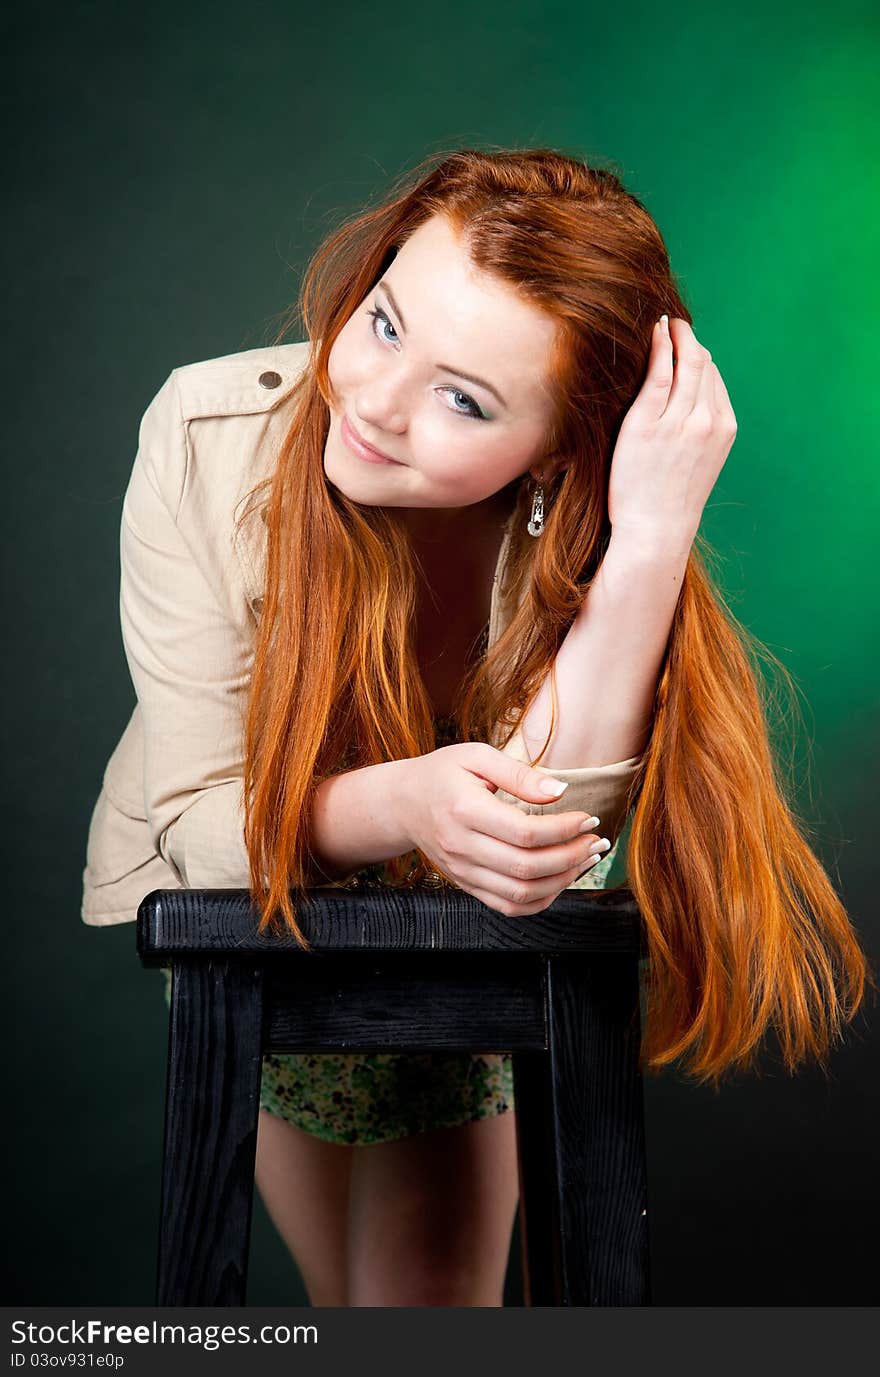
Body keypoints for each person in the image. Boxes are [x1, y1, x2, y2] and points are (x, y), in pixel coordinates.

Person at [81, 147, 870, 1307]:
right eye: (388, 321)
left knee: (422, 1302)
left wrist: (649, 537)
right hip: (259, 912)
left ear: (558, 448)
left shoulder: (587, 519)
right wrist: (404, 801)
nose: (375, 401)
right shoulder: (202, 436)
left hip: (472, 933)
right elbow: (199, 829)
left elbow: (544, 832)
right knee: (338, 1301)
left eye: (465, 400)